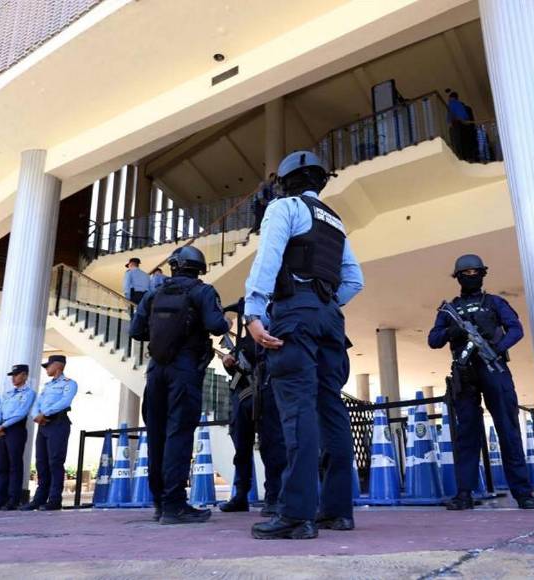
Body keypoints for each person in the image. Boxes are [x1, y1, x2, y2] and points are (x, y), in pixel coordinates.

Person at [244, 150, 364, 540]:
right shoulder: (335, 221)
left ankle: (297, 515)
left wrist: (253, 310)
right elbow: (354, 280)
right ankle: (338, 512)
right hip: (330, 318)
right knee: (331, 411)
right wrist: (324, 302)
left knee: (296, 411)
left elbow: (269, 256)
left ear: (286, 181)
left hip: (295, 313)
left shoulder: (284, 207)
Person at [129, 245, 231, 525]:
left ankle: (161, 504)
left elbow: (136, 331)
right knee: (179, 433)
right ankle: (175, 505)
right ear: (199, 268)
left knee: (157, 434)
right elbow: (217, 325)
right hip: (185, 370)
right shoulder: (203, 291)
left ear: (174, 266)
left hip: (156, 370)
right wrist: (226, 320)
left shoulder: (153, 293)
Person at [428, 254, 534, 510]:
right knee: (467, 434)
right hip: (465, 374)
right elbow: (433, 340)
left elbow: (516, 329)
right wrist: (452, 331)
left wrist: (498, 348)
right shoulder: (449, 309)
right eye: (464, 273)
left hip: (494, 369)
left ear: (482, 274)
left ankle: (522, 493)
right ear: (457, 277)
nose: (470, 276)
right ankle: (464, 493)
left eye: (474, 272)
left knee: (508, 430)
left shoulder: (495, 303)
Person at [218, 298, 286, 517]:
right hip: (243, 398)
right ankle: (240, 495)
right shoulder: (242, 342)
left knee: (271, 446)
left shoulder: (270, 334)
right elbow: (238, 374)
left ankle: (274, 495)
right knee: (241, 450)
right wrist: (229, 364)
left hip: (266, 396)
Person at [21, 355, 78, 511]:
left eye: (49, 365)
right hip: (44, 425)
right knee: (41, 462)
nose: (46, 368)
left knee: (55, 462)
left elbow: (65, 402)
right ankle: (39, 498)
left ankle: (54, 499)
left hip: (58, 423)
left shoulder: (69, 384)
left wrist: (45, 413)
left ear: (58, 366)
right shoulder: (46, 386)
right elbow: (36, 404)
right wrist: (36, 416)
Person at [0, 364, 36, 511]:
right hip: (2, 430)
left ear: (24, 376)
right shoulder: (8, 393)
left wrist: (3, 426)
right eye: (13, 375)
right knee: (2, 465)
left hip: (15, 430)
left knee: (14, 465)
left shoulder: (29, 393)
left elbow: (21, 413)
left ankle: (13, 499)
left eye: (17, 374)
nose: (14, 378)